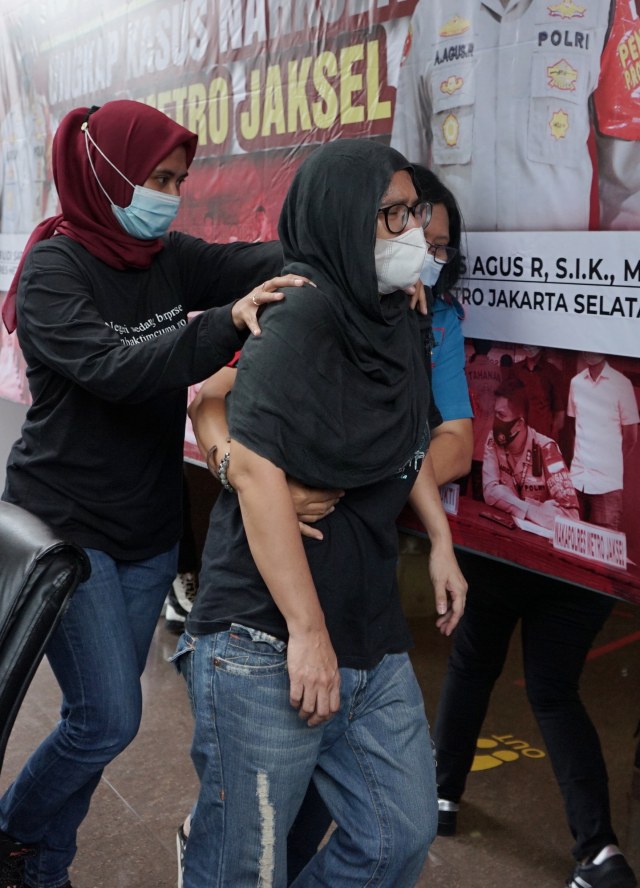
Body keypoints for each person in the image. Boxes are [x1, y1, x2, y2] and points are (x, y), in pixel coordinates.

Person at [0, 98, 302, 888]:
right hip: (67, 528)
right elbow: (115, 368)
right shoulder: (52, 271)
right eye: (156, 177)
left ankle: (42, 867)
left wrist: (347, 249)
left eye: (177, 178)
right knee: (108, 717)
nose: (168, 192)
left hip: (147, 528)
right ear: (106, 173)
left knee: (94, 725)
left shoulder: (164, 256)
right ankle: (12, 831)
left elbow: (255, 259)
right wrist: (224, 327)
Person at [175, 139, 467, 887]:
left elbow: (406, 445)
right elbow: (248, 449)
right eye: (391, 214)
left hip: (366, 623)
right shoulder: (296, 317)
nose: (410, 232)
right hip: (265, 637)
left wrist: (440, 540)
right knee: (247, 868)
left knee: (398, 835)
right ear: (342, 218)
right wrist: (306, 634)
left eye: (415, 212)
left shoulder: (399, 317)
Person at [285, 162, 474, 884]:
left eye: (437, 241)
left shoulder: (428, 322)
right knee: (281, 804)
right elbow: (220, 397)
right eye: (403, 225)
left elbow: (441, 436)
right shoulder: (309, 304)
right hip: (286, 587)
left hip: (369, 576)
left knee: (394, 825)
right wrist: (236, 462)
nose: (421, 249)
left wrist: (393, 480)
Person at [390, 0, 640, 232]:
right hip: (461, 264)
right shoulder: (432, 10)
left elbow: (629, 181)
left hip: (560, 269)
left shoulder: (603, 4)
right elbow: (404, 159)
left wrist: (622, 266)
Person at [482, 376, 579, 532]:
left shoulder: (547, 449)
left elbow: (571, 518)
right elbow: (490, 492)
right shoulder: (493, 440)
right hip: (508, 530)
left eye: (501, 415)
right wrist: (532, 509)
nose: (496, 421)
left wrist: (507, 499)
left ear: (519, 423)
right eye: (495, 414)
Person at [566, 352, 639, 531]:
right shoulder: (576, 383)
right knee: (572, 544)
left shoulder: (621, 384)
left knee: (601, 551)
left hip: (607, 486)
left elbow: (631, 437)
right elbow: (574, 426)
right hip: (576, 481)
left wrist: (609, 463)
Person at [465, 339, 502, 500]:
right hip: (489, 434)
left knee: (461, 489)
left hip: (469, 433)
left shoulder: (467, 370)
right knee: (482, 490)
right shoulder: (497, 371)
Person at [512, 345, 566, 441]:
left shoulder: (552, 371)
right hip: (519, 433)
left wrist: (551, 440)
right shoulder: (516, 370)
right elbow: (509, 404)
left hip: (543, 434)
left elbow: (560, 412)